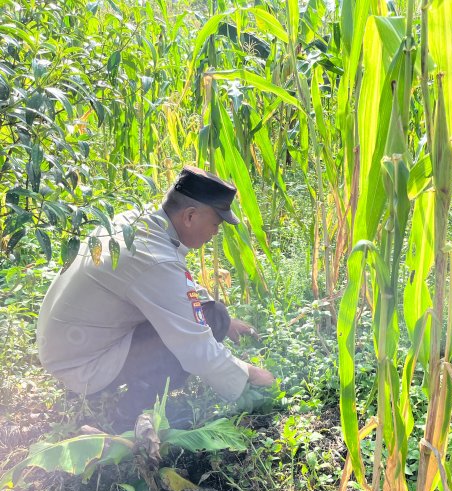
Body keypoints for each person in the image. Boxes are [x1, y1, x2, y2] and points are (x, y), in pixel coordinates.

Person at [37, 166, 275, 430]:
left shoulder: (135, 223)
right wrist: (250, 374)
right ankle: (130, 414)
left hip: (66, 347)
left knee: (214, 313)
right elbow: (195, 349)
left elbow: (173, 285)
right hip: (83, 364)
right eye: (215, 224)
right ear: (190, 216)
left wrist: (227, 321)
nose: (215, 233)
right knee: (205, 320)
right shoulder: (153, 257)